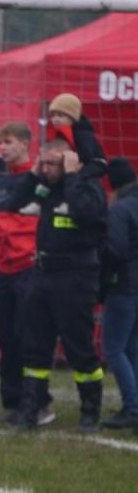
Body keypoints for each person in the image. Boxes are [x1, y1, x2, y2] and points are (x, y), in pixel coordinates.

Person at [8, 137, 107, 431]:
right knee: (35, 347)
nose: (48, 169)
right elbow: (15, 204)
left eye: (53, 163)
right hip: (43, 274)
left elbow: (88, 215)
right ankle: (30, 410)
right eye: (45, 162)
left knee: (79, 347)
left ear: (69, 162)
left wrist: (74, 177)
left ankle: (90, 411)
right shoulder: (45, 188)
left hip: (75, 276)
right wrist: (34, 173)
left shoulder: (86, 187)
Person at [0, 122, 41, 423]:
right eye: (0, 143)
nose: (2, 149)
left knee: (27, 336)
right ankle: (11, 400)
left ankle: (34, 400)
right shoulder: (2, 183)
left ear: (25, 144)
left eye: (8, 142)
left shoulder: (40, 180)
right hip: (4, 269)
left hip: (28, 268)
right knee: (7, 337)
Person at [100, 157, 138, 429]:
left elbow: (115, 250)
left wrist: (101, 282)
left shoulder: (120, 209)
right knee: (133, 347)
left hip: (124, 285)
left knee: (113, 348)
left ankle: (133, 407)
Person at [46, 93, 107, 179]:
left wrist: (64, 158)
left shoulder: (83, 132)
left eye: (60, 116)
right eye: (53, 116)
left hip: (90, 167)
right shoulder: (57, 133)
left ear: (72, 117)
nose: (55, 119)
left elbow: (86, 155)